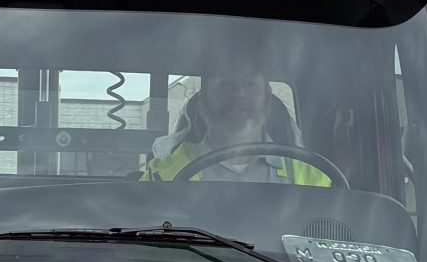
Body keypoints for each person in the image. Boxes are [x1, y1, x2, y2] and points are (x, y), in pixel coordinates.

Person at [142, 71, 331, 186]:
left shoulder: (315, 179)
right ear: (202, 102)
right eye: (224, 84)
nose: (238, 93)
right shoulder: (162, 175)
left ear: (267, 100)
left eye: (249, 84)